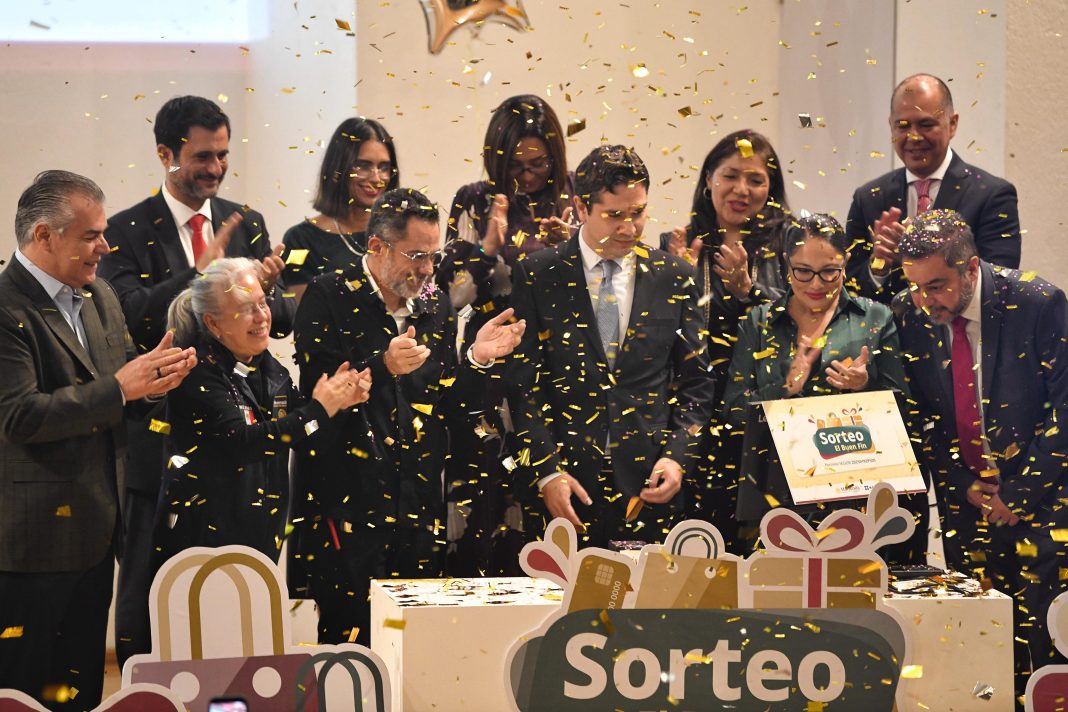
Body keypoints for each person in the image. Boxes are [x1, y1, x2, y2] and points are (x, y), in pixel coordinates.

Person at [99, 95, 294, 668]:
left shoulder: (246, 220)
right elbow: (128, 315)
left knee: (241, 590)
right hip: (161, 439)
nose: (216, 167)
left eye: (223, 154)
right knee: (153, 590)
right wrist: (197, 272)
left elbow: (278, 320)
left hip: (238, 439)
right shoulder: (125, 229)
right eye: (203, 156)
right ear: (166, 154)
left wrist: (267, 292)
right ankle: (147, 693)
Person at [292, 188, 526, 644]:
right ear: (376, 246)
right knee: (350, 651)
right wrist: (383, 366)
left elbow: (448, 406)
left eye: (433, 256)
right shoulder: (328, 295)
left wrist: (476, 359)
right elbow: (322, 398)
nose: (426, 269)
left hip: (417, 504)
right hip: (349, 506)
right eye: (416, 256)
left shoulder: (434, 303)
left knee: (417, 647)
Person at [0, 171, 196, 710]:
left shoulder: (99, 295)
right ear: (44, 236)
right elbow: (19, 416)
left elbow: (123, 391)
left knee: (80, 688)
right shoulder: (5, 307)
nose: (106, 247)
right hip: (31, 543)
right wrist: (122, 387)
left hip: (98, 529)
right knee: (23, 691)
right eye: (91, 236)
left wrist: (156, 382)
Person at [895, 209, 1068, 698]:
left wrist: (1019, 492)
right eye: (915, 287)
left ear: (971, 268)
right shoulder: (909, 312)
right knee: (976, 645)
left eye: (937, 286)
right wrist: (959, 480)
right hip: (967, 504)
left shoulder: (1037, 302)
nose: (925, 301)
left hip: (1044, 501)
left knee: (1044, 639)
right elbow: (920, 413)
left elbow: (1065, 409)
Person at [506, 144, 716, 548]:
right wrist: (547, 471)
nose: (629, 228)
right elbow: (523, 387)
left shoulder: (674, 276)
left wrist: (677, 456)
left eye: (638, 212)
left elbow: (698, 384)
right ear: (581, 207)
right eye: (614, 215)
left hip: (649, 484)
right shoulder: (538, 274)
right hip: (565, 486)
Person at [153, 258, 370, 566]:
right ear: (213, 324)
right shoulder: (195, 372)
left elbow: (306, 439)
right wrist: (319, 409)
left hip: (260, 541)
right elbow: (245, 442)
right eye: (246, 309)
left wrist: (340, 405)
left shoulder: (271, 370)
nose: (262, 316)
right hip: (199, 547)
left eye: (262, 303)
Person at [438, 94, 573, 575]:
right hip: (489, 378)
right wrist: (487, 250)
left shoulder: (574, 199)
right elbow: (450, 298)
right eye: (515, 165)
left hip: (552, 378)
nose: (527, 176)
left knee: (549, 521)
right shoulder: (474, 200)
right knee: (486, 508)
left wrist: (570, 252)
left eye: (538, 164)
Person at [722, 214, 912, 545]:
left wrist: (864, 387)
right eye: (803, 271)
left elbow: (905, 410)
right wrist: (785, 389)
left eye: (829, 272)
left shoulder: (874, 317)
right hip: (773, 492)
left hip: (853, 495)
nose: (816, 284)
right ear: (786, 263)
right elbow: (734, 412)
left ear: (846, 262)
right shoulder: (760, 322)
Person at [660, 129, 791, 548]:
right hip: (692, 413)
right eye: (730, 176)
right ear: (708, 180)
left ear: (772, 188)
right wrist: (674, 280)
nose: (741, 190)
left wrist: (749, 292)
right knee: (695, 545)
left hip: (763, 416)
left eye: (755, 180)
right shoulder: (678, 244)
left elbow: (804, 320)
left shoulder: (789, 245)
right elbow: (654, 333)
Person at [845, 73, 1020, 304]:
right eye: (903, 126)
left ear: (952, 124)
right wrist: (879, 264)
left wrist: (921, 254)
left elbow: (999, 284)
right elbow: (848, 289)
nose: (914, 136)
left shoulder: (992, 195)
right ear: (891, 126)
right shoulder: (868, 198)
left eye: (926, 125)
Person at [282, 117, 400, 303]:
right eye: (363, 166)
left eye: (383, 167)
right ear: (339, 168)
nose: (376, 178)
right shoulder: (301, 240)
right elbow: (306, 313)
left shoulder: (401, 231)